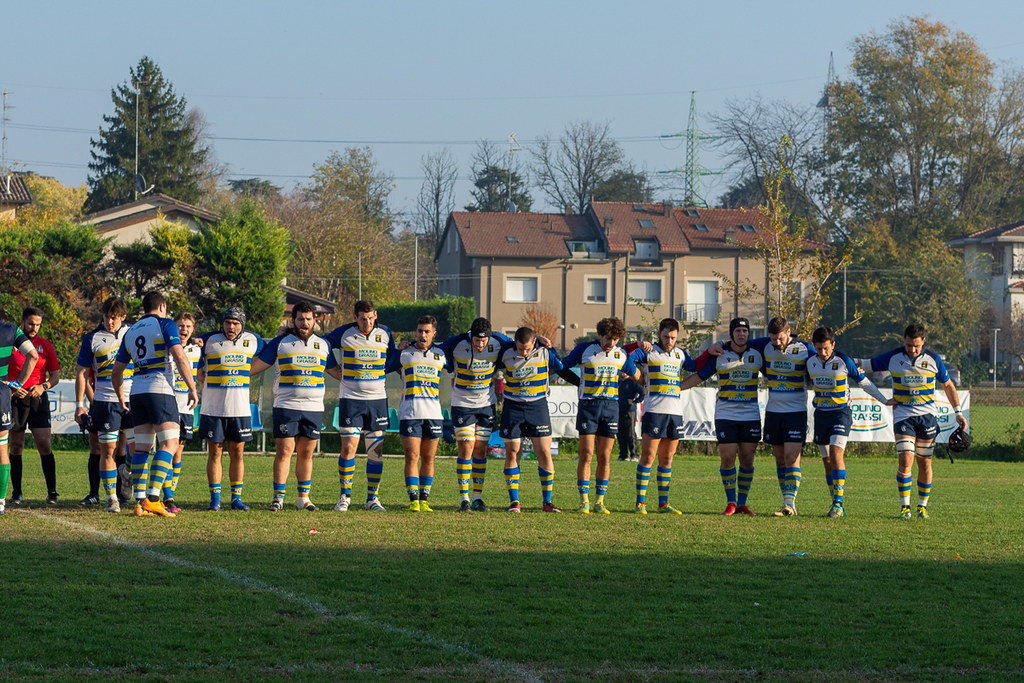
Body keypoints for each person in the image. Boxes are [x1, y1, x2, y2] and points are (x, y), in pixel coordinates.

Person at [858, 323, 968, 520]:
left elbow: (948, 384)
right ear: (904, 341)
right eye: (909, 345)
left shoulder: (933, 359)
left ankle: (922, 507)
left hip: (927, 416)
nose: (912, 349)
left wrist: (958, 412)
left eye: (916, 345)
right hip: (903, 415)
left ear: (923, 341)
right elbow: (864, 364)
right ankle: (905, 507)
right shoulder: (894, 357)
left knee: (924, 462)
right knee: (906, 458)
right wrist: (840, 358)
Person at [112, 291, 198, 518]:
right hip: (160, 389)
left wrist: (121, 396)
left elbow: (117, 372)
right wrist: (192, 387)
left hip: (137, 391)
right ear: (162, 307)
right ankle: (153, 498)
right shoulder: (166, 324)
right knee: (170, 444)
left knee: (142, 448)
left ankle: (140, 503)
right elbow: (180, 357)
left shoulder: (130, 331)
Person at [250, 300, 329, 512]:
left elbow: (338, 372)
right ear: (293, 320)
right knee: (284, 451)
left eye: (308, 319)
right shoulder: (280, 343)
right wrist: (228, 372)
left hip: (314, 407)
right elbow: (256, 366)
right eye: (300, 319)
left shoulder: (324, 344)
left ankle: (304, 499)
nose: (304, 323)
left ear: (314, 321)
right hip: (286, 405)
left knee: (307, 453)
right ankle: (278, 498)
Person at [680, 317, 764, 516]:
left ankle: (743, 503)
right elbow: (700, 375)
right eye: (738, 331)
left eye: (745, 331)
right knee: (727, 458)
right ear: (732, 334)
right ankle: (731, 502)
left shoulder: (758, 355)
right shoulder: (720, 353)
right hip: (726, 413)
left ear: (748, 333)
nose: (742, 334)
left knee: (747, 459)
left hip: (751, 413)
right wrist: (676, 388)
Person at [561, 317, 640, 514]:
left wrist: (645, 388)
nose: (610, 343)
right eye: (607, 338)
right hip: (588, 406)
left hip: (611, 407)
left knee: (605, 456)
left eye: (614, 339)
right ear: (600, 335)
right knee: (586, 454)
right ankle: (584, 501)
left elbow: (637, 374)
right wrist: (577, 381)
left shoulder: (621, 354)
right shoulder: (585, 350)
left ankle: (600, 501)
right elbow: (561, 366)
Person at [806, 326, 887, 518]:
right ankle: (834, 500)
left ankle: (838, 504)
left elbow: (864, 382)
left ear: (833, 345)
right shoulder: (810, 362)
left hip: (841, 413)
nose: (823, 353)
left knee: (836, 453)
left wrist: (885, 400)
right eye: (818, 349)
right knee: (826, 461)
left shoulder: (844, 361)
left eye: (826, 348)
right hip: (821, 414)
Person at [324, 299, 397, 512]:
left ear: (376, 315)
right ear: (355, 317)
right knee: (348, 448)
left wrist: (401, 350)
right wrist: (333, 369)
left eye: (370, 318)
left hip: (377, 401)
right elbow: (322, 345)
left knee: (376, 451)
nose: (367, 323)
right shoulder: (344, 333)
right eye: (362, 319)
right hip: (351, 400)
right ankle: (344, 497)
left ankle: (372, 499)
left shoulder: (385, 333)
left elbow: (391, 358)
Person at [627, 318, 703, 514]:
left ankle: (663, 504)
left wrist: (711, 352)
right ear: (659, 334)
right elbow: (625, 357)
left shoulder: (680, 354)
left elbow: (695, 366)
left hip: (675, 413)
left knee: (667, 459)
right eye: (666, 336)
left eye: (673, 337)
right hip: (654, 411)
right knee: (648, 457)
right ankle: (640, 503)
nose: (669, 341)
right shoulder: (649, 351)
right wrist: (638, 374)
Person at [437, 317, 513, 512]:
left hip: (486, 404)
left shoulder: (498, 341)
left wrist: (539, 341)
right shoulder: (457, 343)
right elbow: (435, 349)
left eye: (483, 341)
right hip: (462, 404)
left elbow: (520, 344)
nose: (480, 345)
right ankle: (464, 498)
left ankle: (478, 498)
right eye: (476, 341)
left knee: (480, 449)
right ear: (470, 336)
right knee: (466, 448)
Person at [748, 317, 817, 517]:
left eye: (780, 338)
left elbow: (823, 360)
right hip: (773, 412)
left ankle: (790, 503)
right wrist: (719, 344)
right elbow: (739, 343)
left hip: (796, 412)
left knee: (791, 456)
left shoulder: (805, 349)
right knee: (779, 458)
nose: (777, 343)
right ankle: (785, 499)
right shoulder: (765, 345)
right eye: (773, 339)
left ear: (788, 332)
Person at [198, 306, 263, 511]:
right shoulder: (208, 340)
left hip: (240, 410)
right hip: (213, 409)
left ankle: (236, 498)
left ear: (242, 324)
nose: (231, 326)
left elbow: (271, 352)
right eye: (228, 322)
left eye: (235, 323)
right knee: (214, 454)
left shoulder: (254, 340)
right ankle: (215, 498)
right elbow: (195, 360)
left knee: (238, 453)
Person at [74, 297, 135, 512]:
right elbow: (81, 373)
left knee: (136, 449)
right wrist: (79, 404)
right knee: (107, 450)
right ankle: (112, 498)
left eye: (115, 318)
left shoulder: (133, 333)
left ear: (123, 317)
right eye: (107, 317)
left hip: (133, 398)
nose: (110, 322)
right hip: (106, 402)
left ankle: (126, 474)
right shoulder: (92, 338)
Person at [495, 326, 565, 512]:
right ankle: (514, 502)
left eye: (527, 348)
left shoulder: (545, 352)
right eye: (520, 348)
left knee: (543, 451)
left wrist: (549, 347)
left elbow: (559, 366)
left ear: (534, 342)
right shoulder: (506, 352)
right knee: (513, 452)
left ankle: (547, 502)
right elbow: (495, 335)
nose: (524, 352)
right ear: (514, 343)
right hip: (513, 407)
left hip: (538, 406)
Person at [7, 307, 61, 505]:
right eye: (31, 324)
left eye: (38, 324)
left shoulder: (45, 346)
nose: (34, 328)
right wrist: (13, 388)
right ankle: (17, 493)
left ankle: (52, 492)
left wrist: (43, 386)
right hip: (15, 400)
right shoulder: (12, 344)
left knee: (44, 444)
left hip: (38, 399)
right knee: (16, 446)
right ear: (22, 322)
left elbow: (55, 375)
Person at [395, 315, 447, 511]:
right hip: (410, 413)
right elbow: (385, 363)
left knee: (429, 457)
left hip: (433, 414)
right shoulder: (405, 353)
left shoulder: (441, 354)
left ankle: (425, 499)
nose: (422, 335)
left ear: (434, 333)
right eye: (419, 331)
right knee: (412, 456)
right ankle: (413, 500)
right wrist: (396, 347)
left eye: (426, 332)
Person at [162, 312, 202, 513]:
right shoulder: (166, 347)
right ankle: (168, 497)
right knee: (168, 449)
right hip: (168, 404)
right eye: (180, 326)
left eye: (187, 326)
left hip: (187, 407)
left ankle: (171, 493)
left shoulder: (197, 349)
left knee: (178, 453)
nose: (183, 330)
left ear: (193, 329)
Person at [0, 319, 39, 515]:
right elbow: (33, 355)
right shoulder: (10, 330)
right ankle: (0, 501)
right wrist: (17, 384)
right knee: (2, 448)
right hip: (2, 393)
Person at [616, 376, 643, 463]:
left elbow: (643, 392)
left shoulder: (632, 382)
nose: (622, 372)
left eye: (624, 370)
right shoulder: (618, 381)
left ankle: (634, 454)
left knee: (630, 433)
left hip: (629, 411)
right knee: (620, 433)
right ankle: (623, 455)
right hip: (618, 410)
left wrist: (635, 401)